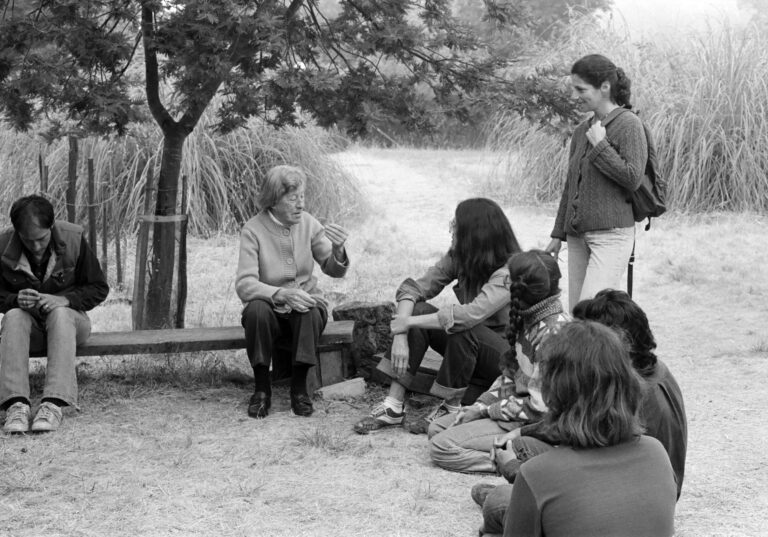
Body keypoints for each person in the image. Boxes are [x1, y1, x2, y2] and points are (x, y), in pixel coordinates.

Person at [478, 290, 687, 535]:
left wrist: (516, 471)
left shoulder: (537, 473)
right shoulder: (655, 450)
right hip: (617, 480)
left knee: (498, 504)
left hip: (600, 488)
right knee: (518, 468)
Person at [353, 198, 521, 435]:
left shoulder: (509, 271)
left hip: (503, 358)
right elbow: (412, 289)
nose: (452, 229)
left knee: (462, 325)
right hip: (467, 349)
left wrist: (407, 322)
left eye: (457, 225)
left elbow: (470, 315)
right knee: (419, 309)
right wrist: (401, 333)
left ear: (476, 233)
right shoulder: (461, 257)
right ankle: (393, 405)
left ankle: (450, 408)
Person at [426, 250, 568, 472]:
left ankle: (517, 463)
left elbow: (540, 409)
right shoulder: (530, 320)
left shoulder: (553, 334)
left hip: (535, 426)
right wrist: (479, 405)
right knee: (436, 429)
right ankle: (505, 451)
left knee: (441, 447)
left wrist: (487, 411)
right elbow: (510, 377)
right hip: (514, 413)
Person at [235, 165, 349, 419]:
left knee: (308, 308)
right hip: (270, 309)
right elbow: (245, 284)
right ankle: (262, 389)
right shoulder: (253, 230)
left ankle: (299, 390)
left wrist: (338, 250)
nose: (300, 205)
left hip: (305, 308)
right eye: (292, 198)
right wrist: (280, 294)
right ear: (274, 200)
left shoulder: (308, 224)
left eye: (302, 197)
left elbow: (333, 269)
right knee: (255, 311)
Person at [544, 54, 648, 311]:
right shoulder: (582, 130)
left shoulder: (629, 124)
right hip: (577, 237)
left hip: (611, 235)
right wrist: (558, 235)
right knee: (577, 315)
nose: (577, 95)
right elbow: (571, 186)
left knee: (590, 317)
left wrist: (600, 145)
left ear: (604, 87)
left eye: (582, 89)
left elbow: (633, 178)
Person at [0, 195, 109, 433]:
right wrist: (13, 299)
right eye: (28, 241)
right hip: (29, 332)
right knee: (14, 315)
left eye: (41, 239)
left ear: (52, 226)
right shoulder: (3, 245)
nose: (36, 247)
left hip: (71, 326)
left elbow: (99, 288)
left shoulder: (74, 238)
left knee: (60, 314)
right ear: (17, 232)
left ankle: (54, 403)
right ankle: (15, 405)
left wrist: (65, 300)